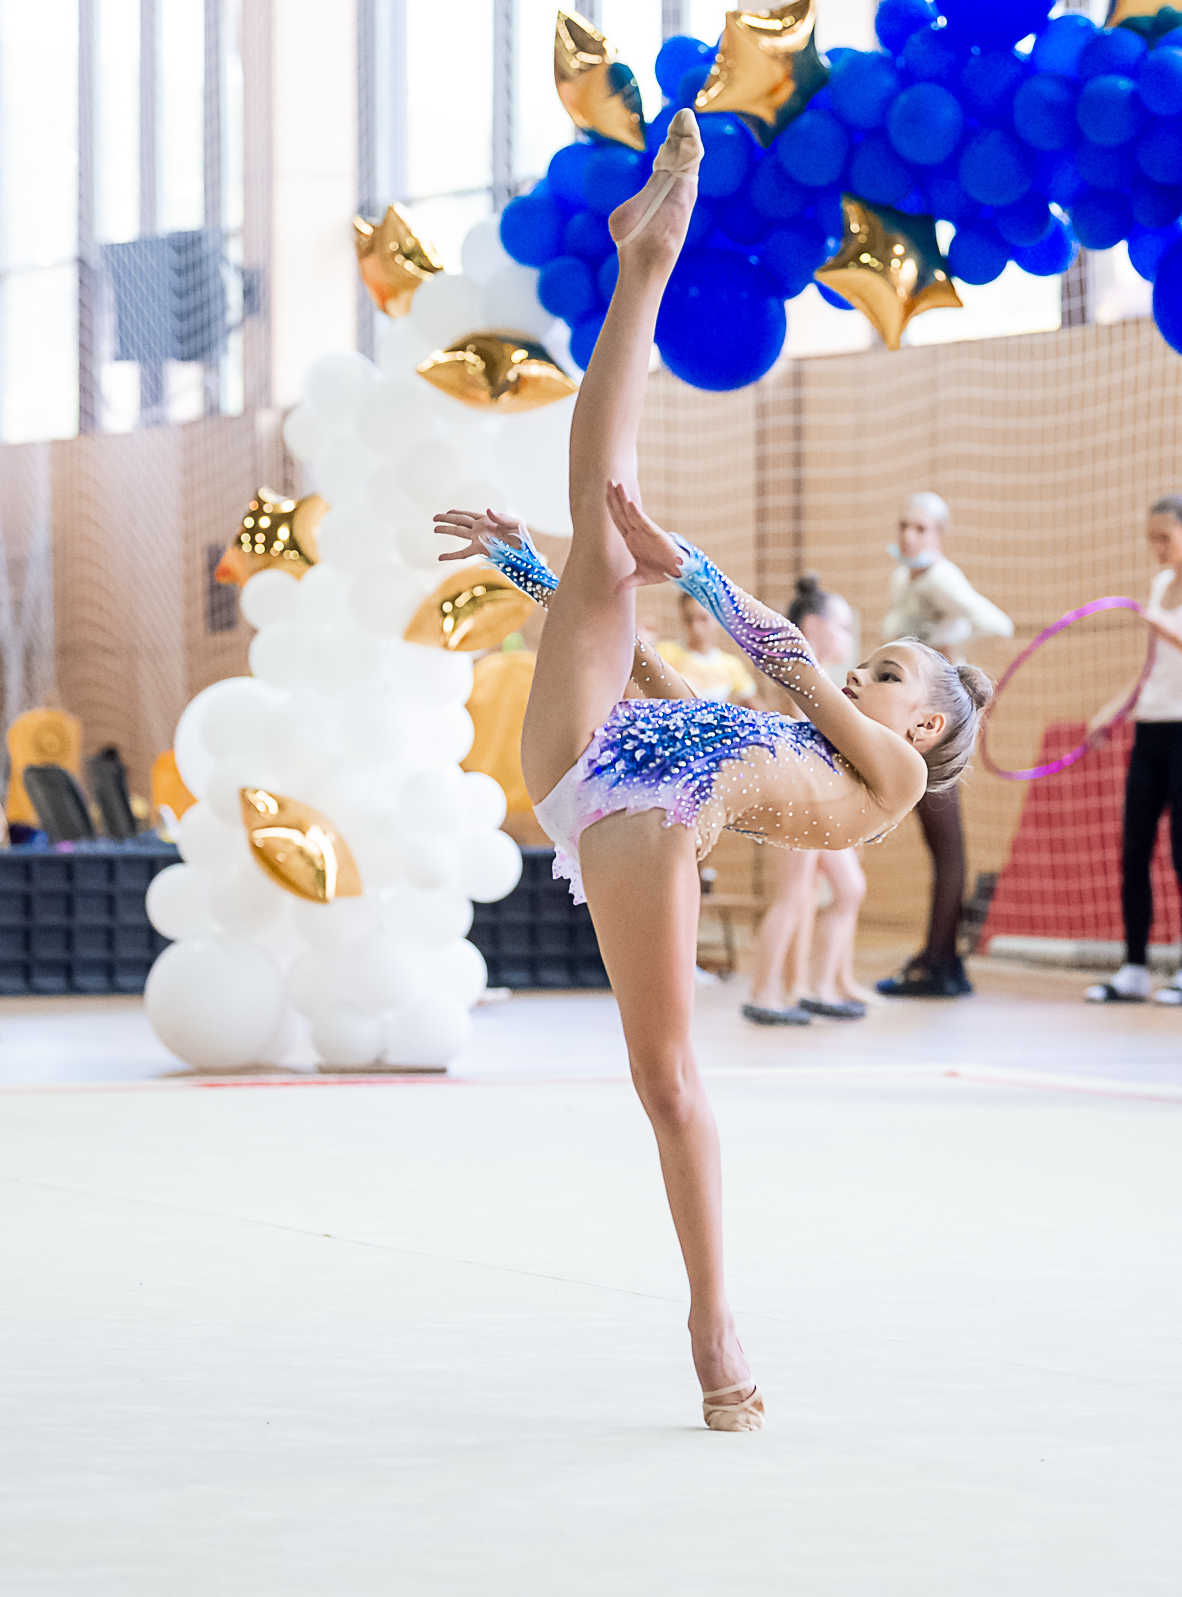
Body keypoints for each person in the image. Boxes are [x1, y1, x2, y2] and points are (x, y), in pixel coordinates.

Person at [430, 109, 990, 1432]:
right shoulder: (795, 738)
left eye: (899, 672)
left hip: (643, 827)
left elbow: (792, 661)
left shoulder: (890, 781)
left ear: (921, 729)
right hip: (602, 753)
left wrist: (689, 568)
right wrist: (543, 574)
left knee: (671, 1082)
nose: (878, 671)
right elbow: (665, 689)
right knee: (595, 536)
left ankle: (713, 1319)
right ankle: (648, 258)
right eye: (888, 661)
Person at [1084, 495, 1182, 1006]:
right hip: (1149, 730)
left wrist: (1177, 634)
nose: (1156, 548)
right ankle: (1133, 968)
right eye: (1150, 538)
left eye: (1165, 538)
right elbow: (1151, 667)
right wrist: (1112, 710)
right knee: (1133, 853)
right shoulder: (1158, 586)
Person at [873, 491, 1013, 999]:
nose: (909, 536)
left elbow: (997, 623)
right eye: (904, 525)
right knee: (941, 843)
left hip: (935, 726)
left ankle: (939, 961)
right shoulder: (903, 576)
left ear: (939, 536)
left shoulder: (938, 578)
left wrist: (947, 651)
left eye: (921, 529)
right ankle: (942, 958)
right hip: (911, 725)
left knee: (948, 844)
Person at [741, 574, 870, 1026]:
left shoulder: (814, 674)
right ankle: (764, 992)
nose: (848, 638)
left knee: (843, 889)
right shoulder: (794, 670)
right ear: (814, 626)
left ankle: (815, 986)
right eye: (842, 627)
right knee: (792, 895)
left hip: (816, 802)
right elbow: (797, 742)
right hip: (795, 800)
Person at [656, 594, 760, 704]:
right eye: (689, 619)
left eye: (703, 619)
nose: (696, 628)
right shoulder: (664, 652)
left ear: (718, 619)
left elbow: (756, 707)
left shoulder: (731, 665)